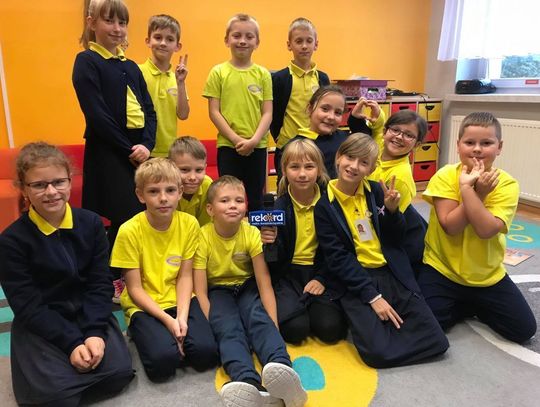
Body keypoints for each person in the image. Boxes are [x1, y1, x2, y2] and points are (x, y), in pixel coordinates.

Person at [0, 142, 133, 406]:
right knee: (56, 397)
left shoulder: (92, 224)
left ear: (70, 181)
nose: (51, 192)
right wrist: (72, 343)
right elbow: (28, 304)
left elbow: (100, 284)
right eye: (39, 185)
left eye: (59, 182)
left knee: (118, 375)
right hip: (43, 321)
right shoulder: (11, 241)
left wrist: (94, 332)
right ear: (24, 189)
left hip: (88, 313)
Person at [314, 133, 449, 368]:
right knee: (377, 353)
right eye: (350, 157)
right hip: (357, 278)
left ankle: (389, 334)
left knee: (437, 340)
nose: (354, 166)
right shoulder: (324, 206)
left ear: (372, 168)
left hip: (390, 272)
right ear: (338, 157)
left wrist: (392, 212)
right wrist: (373, 297)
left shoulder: (376, 191)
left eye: (363, 162)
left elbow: (396, 239)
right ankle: (369, 323)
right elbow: (338, 258)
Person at [418, 112, 536, 343]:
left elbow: (485, 230)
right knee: (427, 326)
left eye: (486, 143)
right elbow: (450, 226)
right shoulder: (445, 176)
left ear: (499, 147)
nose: (477, 149)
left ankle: (471, 304)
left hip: (486, 276)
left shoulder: (507, 184)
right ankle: (465, 304)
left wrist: (472, 192)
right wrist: (471, 191)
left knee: (523, 330)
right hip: (442, 269)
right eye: (470, 142)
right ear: (458, 145)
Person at [193, 176, 307, 407]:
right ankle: (247, 381)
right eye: (225, 201)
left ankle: (283, 369)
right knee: (228, 329)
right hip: (218, 291)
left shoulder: (252, 233)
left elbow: (264, 282)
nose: (233, 205)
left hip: (247, 285)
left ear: (246, 206)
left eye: (239, 200)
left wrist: (273, 324)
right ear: (210, 209)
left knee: (259, 319)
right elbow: (200, 291)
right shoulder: (202, 237)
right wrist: (211, 323)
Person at [72, 0, 156, 299]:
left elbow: (149, 109)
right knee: (121, 212)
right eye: (110, 21)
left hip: (137, 149)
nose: (117, 29)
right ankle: (109, 276)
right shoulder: (87, 61)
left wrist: (147, 144)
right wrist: (129, 149)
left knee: (135, 213)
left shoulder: (130, 66)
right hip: (110, 149)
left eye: (122, 23)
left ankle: (128, 272)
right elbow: (97, 114)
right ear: (92, 23)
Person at [110, 158, 218, 382]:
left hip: (179, 299)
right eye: (153, 191)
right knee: (162, 364)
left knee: (207, 353)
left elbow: (185, 276)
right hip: (144, 304)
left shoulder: (189, 224)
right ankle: (144, 332)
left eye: (170, 190)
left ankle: (170, 336)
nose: (163, 198)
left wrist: (181, 319)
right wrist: (169, 322)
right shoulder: (129, 231)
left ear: (180, 192)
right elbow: (134, 288)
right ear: (140, 195)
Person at [261, 139, 348, 344]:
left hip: (321, 271)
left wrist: (322, 278)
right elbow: (273, 262)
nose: (302, 174)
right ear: (284, 170)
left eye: (309, 167)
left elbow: (338, 249)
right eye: (294, 167)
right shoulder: (277, 208)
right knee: (295, 330)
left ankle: (313, 306)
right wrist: (270, 244)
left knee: (331, 330)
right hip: (287, 275)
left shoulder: (330, 204)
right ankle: (299, 308)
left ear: (319, 170)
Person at [203, 13, 272, 212]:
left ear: (257, 42)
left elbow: (267, 113)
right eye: (237, 36)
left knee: (256, 199)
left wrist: (254, 140)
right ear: (227, 40)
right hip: (228, 146)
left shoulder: (263, 74)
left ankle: (255, 233)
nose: (242, 41)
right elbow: (214, 112)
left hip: (257, 146)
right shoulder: (218, 72)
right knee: (228, 198)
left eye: (249, 36)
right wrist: (235, 139)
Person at [270, 17, 330, 180]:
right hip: (287, 146)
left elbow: (327, 111)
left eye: (309, 41)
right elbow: (274, 113)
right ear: (289, 45)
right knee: (286, 188)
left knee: (317, 187)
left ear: (316, 44)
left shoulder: (322, 78)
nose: (304, 46)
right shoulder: (280, 78)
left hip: (316, 146)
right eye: (298, 41)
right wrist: (278, 137)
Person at [368, 110, 429, 266]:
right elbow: (377, 128)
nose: (399, 137)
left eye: (409, 135)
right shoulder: (379, 146)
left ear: (417, 145)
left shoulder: (400, 178)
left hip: (385, 232)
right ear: (385, 132)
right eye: (395, 130)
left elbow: (386, 223)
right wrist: (377, 116)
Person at [291, 85, 380, 179]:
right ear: (310, 109)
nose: (331, 117)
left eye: (338, 112)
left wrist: (355, 118)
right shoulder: (295, 147)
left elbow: (364, 142)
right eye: (325, 109)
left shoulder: (344, 138)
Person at [139, 14, 190, 158]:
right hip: (141, 149)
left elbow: (183, 115)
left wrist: (181, 83)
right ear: (148, 41)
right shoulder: (137, 72)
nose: (163, 43)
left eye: (170, 39)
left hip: (169, 151)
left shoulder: (177, 78)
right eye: (158, 37)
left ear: (177, 46)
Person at [169, 136, 213, 226]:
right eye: (184, 170)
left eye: (199, 170)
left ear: (205, 168)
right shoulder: (165, 187)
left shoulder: (207, 186)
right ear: (170, 167)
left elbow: (206, 226)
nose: (192, 177)